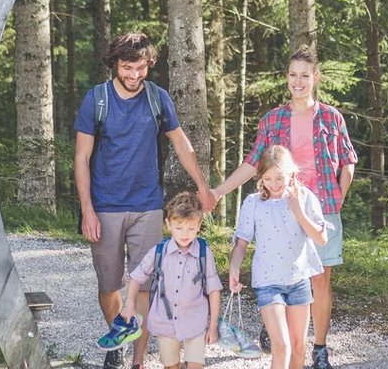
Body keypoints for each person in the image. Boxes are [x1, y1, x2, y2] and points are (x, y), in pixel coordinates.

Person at [74, 32, 215, 369]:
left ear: (149, 64)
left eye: (140, 68)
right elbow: (81, 158)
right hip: (106, 207)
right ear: (114, 65)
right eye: (127, 68)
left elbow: (181, 143)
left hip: (148, 206)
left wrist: (203, 187)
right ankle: (117, 339)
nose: (134, 75)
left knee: (147, 285)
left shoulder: (157, 98)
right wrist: (87, 210)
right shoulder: (97, 100)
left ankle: (137, 360)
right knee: (110, 285)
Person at [212, 49, 357, 369]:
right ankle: (278, 322)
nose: (299, 81)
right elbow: (253, 164)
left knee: (319, 281)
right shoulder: (273, 119)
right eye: (293, 75)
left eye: (305, 75)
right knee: (281, 271)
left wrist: (339, 195)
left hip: (321, 210)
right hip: (279, 209)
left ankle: (319, 348)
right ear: (287, 78)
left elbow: (348, 160)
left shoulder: (332, 117)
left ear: (315, 78)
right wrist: (219, 191)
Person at [228, 146, 330, 369]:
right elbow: (242, 243)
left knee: (299, 347)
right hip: (267, 283)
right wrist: (234, 267)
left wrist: (298, 211)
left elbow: (321, 239)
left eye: (279, 178)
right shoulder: (253, 203)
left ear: (292, 174)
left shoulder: (304, 197)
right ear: (260, 178)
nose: (274, 184)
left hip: (299, 281)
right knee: (281, 346)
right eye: (268, 178)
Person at [118, 192, 222, 369]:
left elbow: (214, 290)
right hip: (164, 323)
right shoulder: (159, 252)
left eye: (190, 228)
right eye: (179, 227)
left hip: (195, 322)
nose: (184, 234)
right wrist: (129, 305)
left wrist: (213, 326)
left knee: (196, 365)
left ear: (199, 225)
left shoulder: (204, 253)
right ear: (168, 224)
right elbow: (136, 277)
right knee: (171, 366)